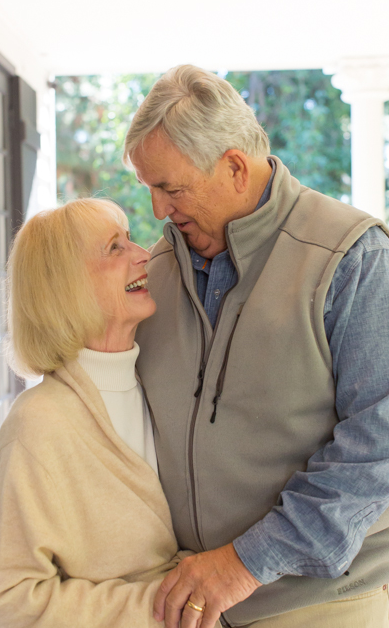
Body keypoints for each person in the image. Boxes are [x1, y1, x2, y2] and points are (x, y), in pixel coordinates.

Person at [123, 65, 389, 628]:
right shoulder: (157, 271)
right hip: (188, 599)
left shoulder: (352, 256)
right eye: (148, 189)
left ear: (235, 167)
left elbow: (379, 443)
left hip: (320, 602)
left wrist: (244, 563)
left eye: (170, 188)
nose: (157, 211)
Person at [0, 198, 217, 628]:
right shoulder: (38, 424)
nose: (143, 254)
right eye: (114, 248)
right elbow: (7, 593)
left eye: (129, 241)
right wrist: (158, 605)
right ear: (66, 286)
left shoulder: (162, 388)